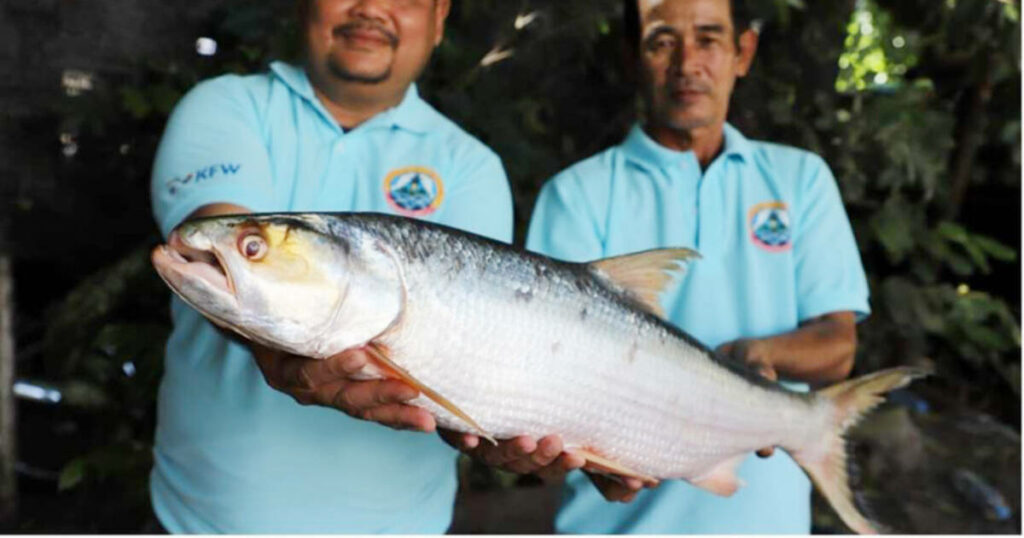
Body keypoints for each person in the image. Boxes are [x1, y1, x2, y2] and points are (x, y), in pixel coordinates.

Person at [453, 0, 870, 533]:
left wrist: (758, 355)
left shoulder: (801, 180)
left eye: (709, 39)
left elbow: (838, 344)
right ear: (633, 57)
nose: (687, 63)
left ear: (743, 52)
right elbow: (551, 373)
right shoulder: (577, 192)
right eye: (662, 41)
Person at [148, 0, 512, 532]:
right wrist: (275, 346)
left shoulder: (472, 166)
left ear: (439, 19)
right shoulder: (226, 105)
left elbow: (466, 355)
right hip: (202, 521)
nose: (371, 8)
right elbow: (214, 242)